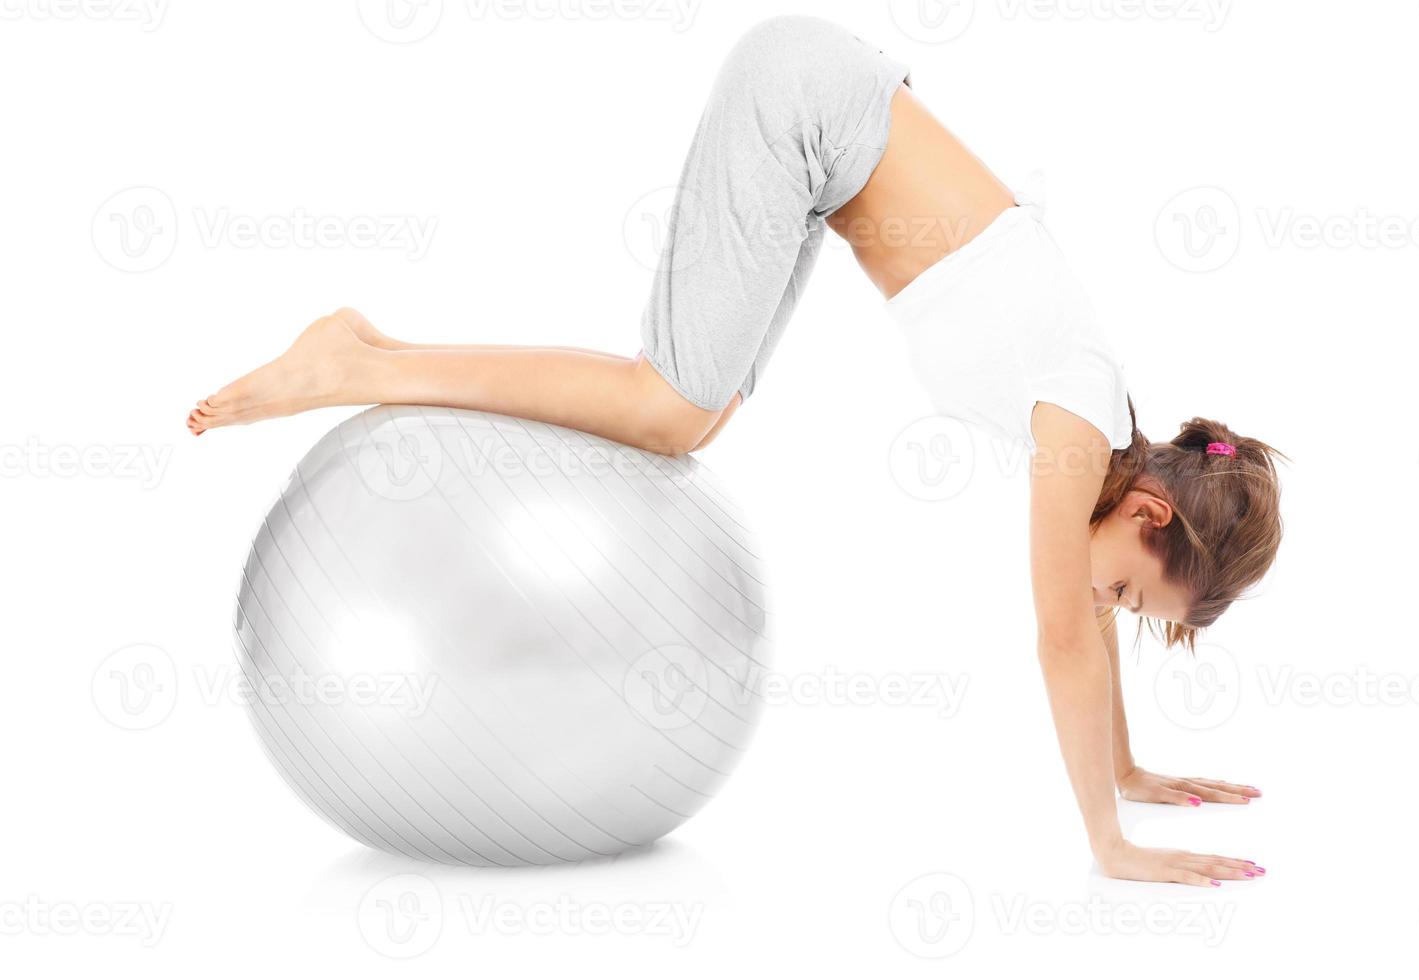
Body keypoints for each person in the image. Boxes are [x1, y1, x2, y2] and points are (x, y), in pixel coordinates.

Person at [187, 16, 1282, 886]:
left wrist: (1129, 767)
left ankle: (376, 351)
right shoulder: (1079, 419)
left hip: (822, 128)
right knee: (669, 404)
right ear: (1147, 513)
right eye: (1137, 595)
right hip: (804, 106)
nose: (1112, 605)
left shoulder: (1097, 434)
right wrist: (1109, 839)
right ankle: (361, 360)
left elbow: (1081, 615)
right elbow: (1062, 636)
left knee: (696, 412)